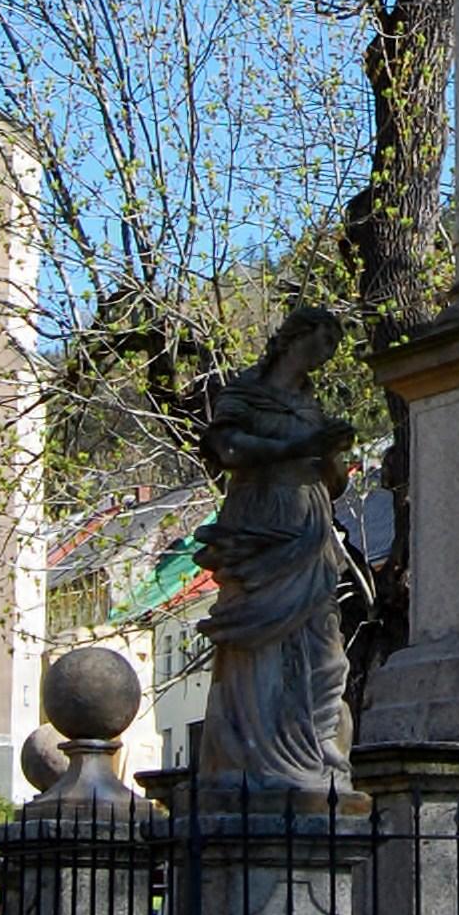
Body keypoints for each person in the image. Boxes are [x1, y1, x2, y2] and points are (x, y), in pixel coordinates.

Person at [189, 308, 360, 804]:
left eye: (333, 347)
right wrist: (300, 446)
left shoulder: (310, 404)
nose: (326, 354)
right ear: (292, 338)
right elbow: (228, 450)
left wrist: (330, 456)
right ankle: (251, 760)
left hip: (309, 526)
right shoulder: (245, 392)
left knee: (325, 650)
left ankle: (318, 747)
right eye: (322, 341)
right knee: (260, 645)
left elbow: (332, 480)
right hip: (262, 521)